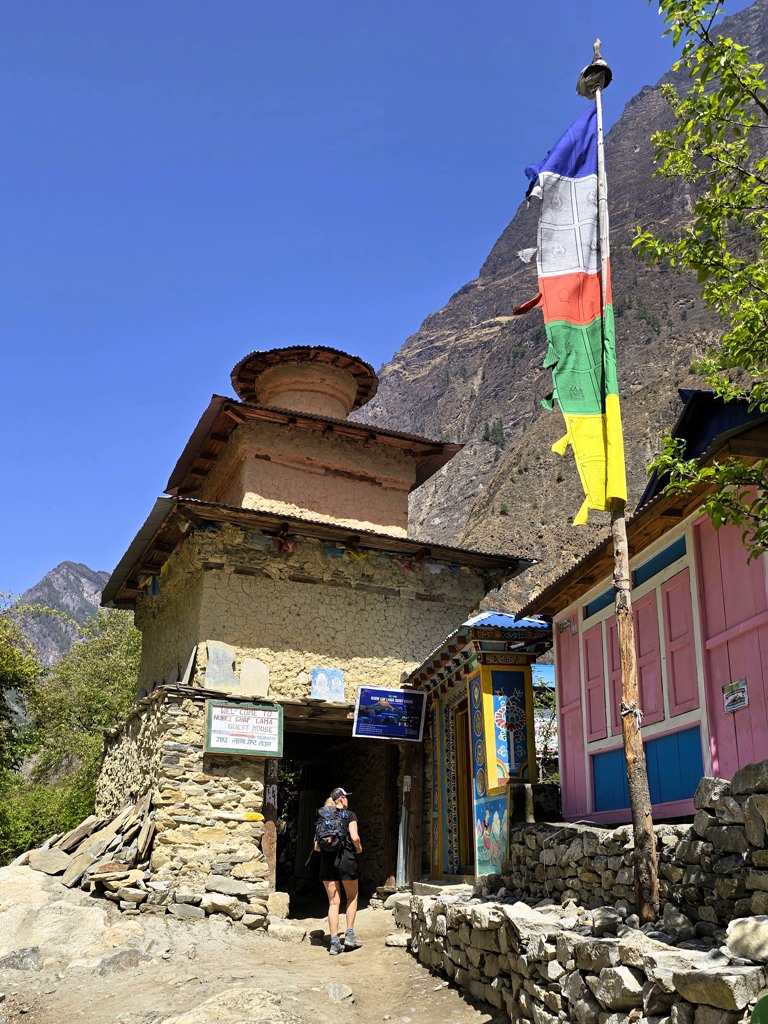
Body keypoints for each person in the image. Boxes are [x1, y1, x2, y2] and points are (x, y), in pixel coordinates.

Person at [315, 786, 363, 955]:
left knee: (333, 902)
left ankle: (334, 942)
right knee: (352, 896)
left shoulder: (324, 816)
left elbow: (316, 847)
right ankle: (349, 936)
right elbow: (354, 836)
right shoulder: (350, 815)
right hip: (345, 859)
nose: (348, 800)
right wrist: (358, 847)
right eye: (346, 797)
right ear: (341, 799)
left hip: (327, 862)